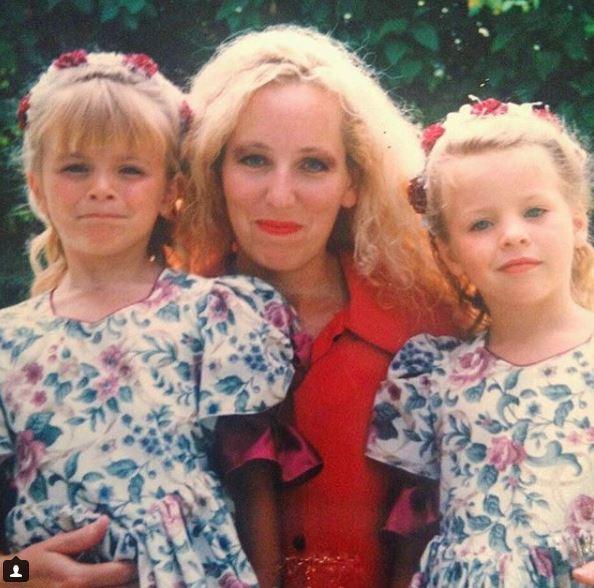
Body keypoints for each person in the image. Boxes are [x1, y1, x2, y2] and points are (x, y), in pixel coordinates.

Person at [0, 49, 301, 588]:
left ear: (170, 193)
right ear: (38, 188)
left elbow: (256, 488)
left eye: (130, 170)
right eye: (75, 168)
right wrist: (16, 574)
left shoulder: (212, 316)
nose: (101, 188)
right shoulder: (7, 343)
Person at [178, 25, 453, 587]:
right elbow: (18, 556)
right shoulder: (148, 329)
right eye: (254, 159)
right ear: (215, 169)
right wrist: (16, 573)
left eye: (313, 165)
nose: (281, 195)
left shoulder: (433, 327)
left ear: (354, 180)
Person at [366, 97, 594, 587]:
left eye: (535, 211)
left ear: (577, 221)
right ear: (447, 252)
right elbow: (408, 528)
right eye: (481, 224)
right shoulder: (433, 375)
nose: (513, 235)